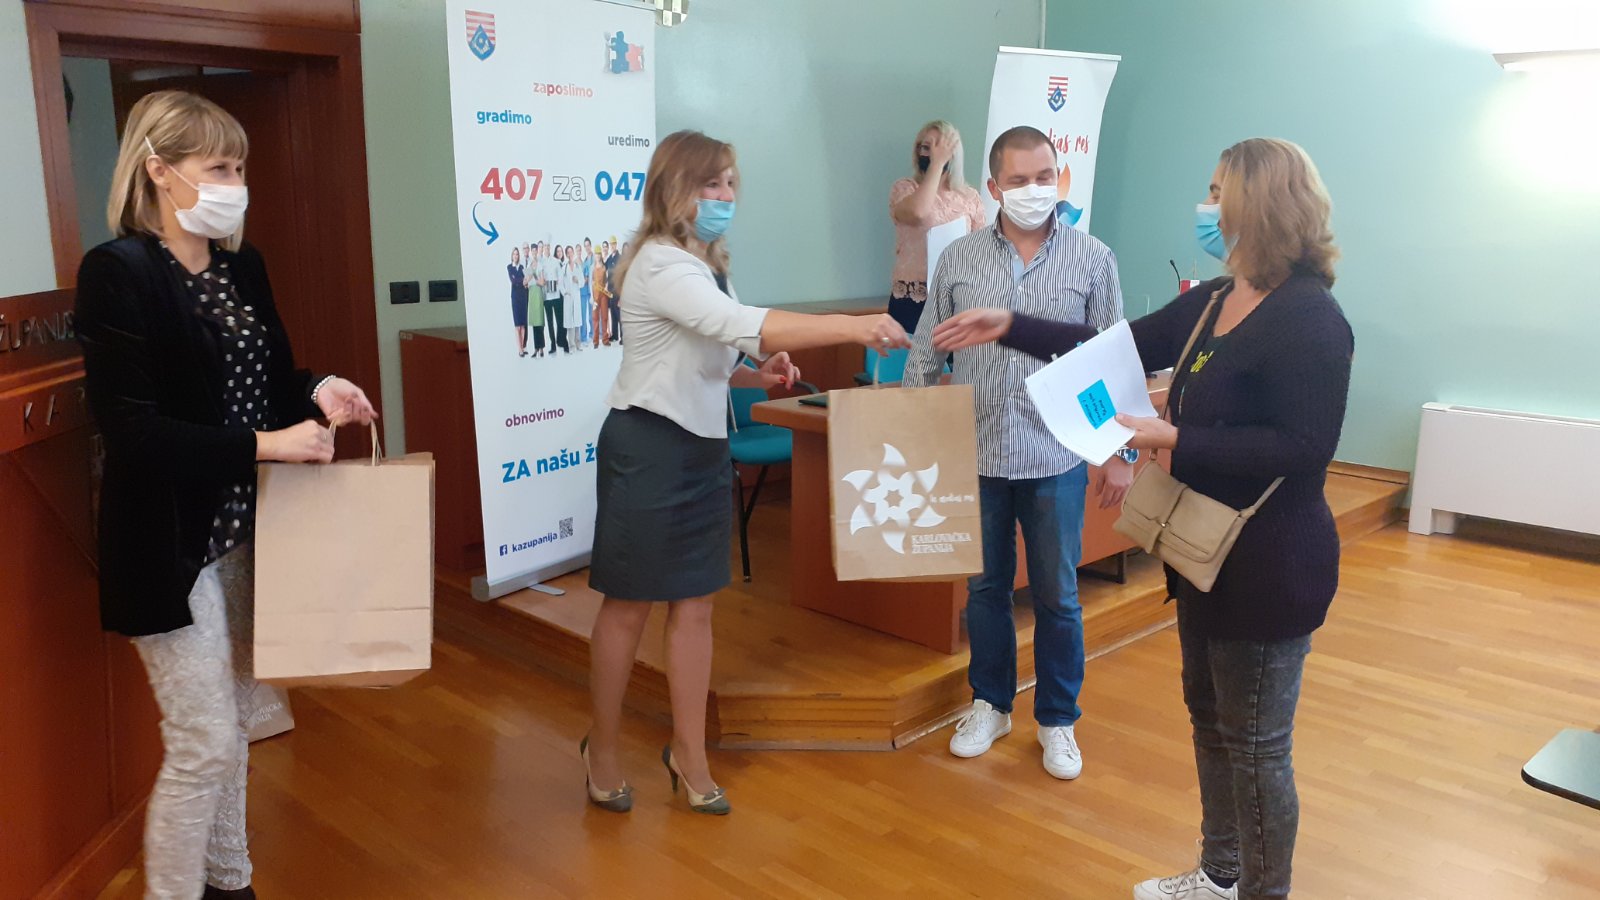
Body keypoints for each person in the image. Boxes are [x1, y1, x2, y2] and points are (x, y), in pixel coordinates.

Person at [932, 138, 1352, 900]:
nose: (1206, 205)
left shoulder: (1311, 318)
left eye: (1217, 191)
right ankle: (1219, 875)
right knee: (1209, 720)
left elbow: (1304, 447)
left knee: (1258, 747)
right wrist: (1009, 324)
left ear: (1257, 204)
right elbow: (1112, 346)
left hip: (1269, 565)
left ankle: (1263, 892)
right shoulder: (1217, 298)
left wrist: (1177, 438)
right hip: (1201, 554)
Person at [74, 90, 378, 900]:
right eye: (218, 167)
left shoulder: (244, 267)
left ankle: (229, 882)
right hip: (169, 542)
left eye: (240, 168)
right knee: (202, 741)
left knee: (238, 722)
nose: (236, 184)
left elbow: (267, 382)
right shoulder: (118, 272)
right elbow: (133, 431)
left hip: (249, 528)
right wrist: (265, 445)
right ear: (158, 170)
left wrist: (319, 388)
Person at [583, 130, 910, 816]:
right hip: (647, 448)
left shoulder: (708, 267)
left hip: (701, 449)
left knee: (696, 605)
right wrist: (856, 326)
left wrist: (754, 373)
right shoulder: (659, 263)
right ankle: (602, 749)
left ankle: (689, 754)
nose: (726, 195)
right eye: (712, 183)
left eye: (731, 183)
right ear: (675, 188)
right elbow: (742, 324)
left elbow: (711, 350)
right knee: (629, 605)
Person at [903, 125, 1133, 781]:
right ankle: (991, 703)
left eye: (1045, 177)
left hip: (1055, 457)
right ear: (994, 186)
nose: (1035, 190)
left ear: (1059, 179)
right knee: (985, 589)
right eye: (1020, 179)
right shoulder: (959, 258)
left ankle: (1057, 719)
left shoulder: (1093, 258)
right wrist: (908, 424)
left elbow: (1111, 362)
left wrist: (1119, 452)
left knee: (1058, 594)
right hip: (976, 453)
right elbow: (927, 348)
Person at [888, 119, 986, 334]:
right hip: (912, 299)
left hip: (955, 298)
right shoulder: (905, 188)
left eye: (939, 147)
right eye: (926, 147)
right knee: (911, 354)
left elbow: (980, 249)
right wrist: (937, 164)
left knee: (953, 355)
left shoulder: (969, 197)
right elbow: (918, 212)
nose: (932, 153)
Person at [545, 243, 568, 354]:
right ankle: (553, 345)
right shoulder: (541, 262)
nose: (546, 249)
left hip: (557, 295)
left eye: (548, 247)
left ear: (550, 248)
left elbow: (560, 278)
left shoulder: (556, 262)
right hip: (546, 297)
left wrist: (562, 289)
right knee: (550, 323)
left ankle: (563, 342)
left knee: (560, 321)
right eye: (545, 247)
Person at [526, 242, 547, 357]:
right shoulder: (529, 266)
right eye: (532, 251)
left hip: (538, 293)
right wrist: (528, 280)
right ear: (531, 252)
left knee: (540, 322)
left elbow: (542, 282)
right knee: (534, 322)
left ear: (537, 252)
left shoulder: (540, 265)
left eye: (535, 251)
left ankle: (542, 348)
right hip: (531, 294)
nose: (534, 253)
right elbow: (526, 282)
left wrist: (535, 278)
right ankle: (535, 348)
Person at [563, 244, 585, 352]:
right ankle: (571, 346)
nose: (570, 254)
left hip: (576, 296)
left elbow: (582, 282)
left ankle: (578, 344)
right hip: (568, 297)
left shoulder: (578, 266)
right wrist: (564, 292)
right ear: (566, 254)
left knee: (577, 321)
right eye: (568, 252)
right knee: (569, 322)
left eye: (571, 252)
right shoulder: (564, 267)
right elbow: (560, 283)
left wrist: (578, 281)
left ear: (573, 253)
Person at [508, 244, 530, 356]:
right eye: (514, 254)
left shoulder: (522, 267)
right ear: (512, 256)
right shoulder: (509, 267)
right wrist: (522, 280)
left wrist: (523, 281)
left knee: (523, 324)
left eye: (517, 254)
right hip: (515, 298)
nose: (516, 256)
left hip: (523, 297)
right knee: (517, 325)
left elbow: (526, 280)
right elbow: (514, 281)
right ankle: (520, 349)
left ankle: (523, 347)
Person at [593, 239, 612, 347]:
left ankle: (605, 339)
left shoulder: (605, 267)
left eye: (599, 254)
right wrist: (592, 298)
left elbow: (607, 281)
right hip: (595, 296)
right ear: (594, 255)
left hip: (604, 295)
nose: (598, 256)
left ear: (600, 255)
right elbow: (591, 283)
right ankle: (595, 341)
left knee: (604, 317)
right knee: (595, 318)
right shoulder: (592, 268)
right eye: (596, 254)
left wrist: (606, 287)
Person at [604, 237, 622, 344]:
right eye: (611, 244)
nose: (612, 246)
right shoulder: (610, 258)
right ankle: (615, 335)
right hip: (610, 291)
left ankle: (623, 337)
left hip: (617, 290)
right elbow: (604, 267)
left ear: (616, 244)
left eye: (614, 244)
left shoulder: (620, 258)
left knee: (619, 314)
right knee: (613, 314)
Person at [580, 237, 596, 346]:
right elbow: (584, 276)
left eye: (588, 245)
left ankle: (594, 334)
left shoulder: (595, 258)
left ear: (590, 245)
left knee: (593, 314)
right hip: (586, 290)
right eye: (585, 246)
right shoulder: (585, 261)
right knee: (587, 314)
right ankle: (587, 335)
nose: (587, 247)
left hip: (594, 289)